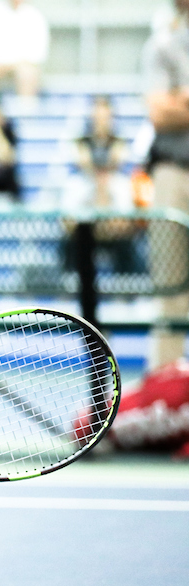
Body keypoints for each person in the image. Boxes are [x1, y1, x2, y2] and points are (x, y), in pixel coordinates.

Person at [144, 0, 189, 372]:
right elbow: (158, 112)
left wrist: (183, 98)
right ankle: (164, 384)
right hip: (173, 172)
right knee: (170, 288)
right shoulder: (164, 45)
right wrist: (173, 102)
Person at [60, 96, 139, 276]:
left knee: (126, 237)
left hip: (111, 228)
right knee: (72, 240)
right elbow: (68, 223)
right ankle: (70, 280)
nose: (102, 121)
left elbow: (124, 225)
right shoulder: (81, 147)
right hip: (86, 192)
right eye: (98, 116)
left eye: (106, 116)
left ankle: (126, 282)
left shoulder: (119, 148)